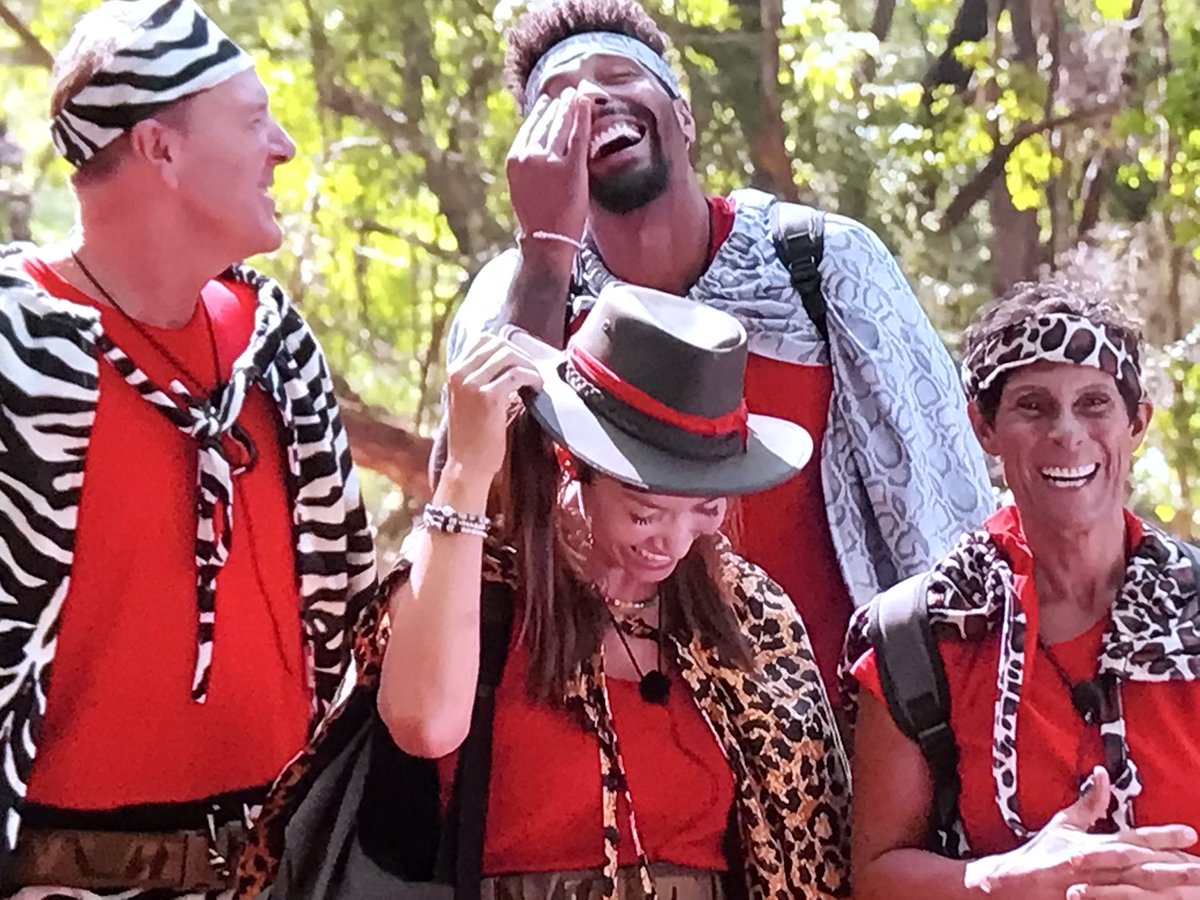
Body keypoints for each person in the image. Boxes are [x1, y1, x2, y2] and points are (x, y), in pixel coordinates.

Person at [444, 0, 994, 700]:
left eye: (618, 74)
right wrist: (546, 257)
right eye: (555, 98)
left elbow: (941, 509)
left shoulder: (819, 265)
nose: (587, 98)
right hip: (607, 748)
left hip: (825, 733)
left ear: (684, 115)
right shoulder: (519, 291)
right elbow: (474, 526)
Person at [238, 284, 851, 899]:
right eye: (645, 513)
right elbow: (423, 726)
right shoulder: (475, 584)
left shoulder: (751, 613)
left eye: (707, 511)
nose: (673, 540)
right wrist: (466, 472)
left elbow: (811, 844)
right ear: (570, 460)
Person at [0, 0, 375, 894]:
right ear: (159, 149)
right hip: (65, 871)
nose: (282, 146)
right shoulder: (18, 350)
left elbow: (357, 626)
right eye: (252, 120)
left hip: (285, 862)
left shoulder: (274, 347)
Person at [841, 278, 1200, 899]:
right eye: (1032, 406)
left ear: (1136, 423)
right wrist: (1004, 878)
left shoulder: (1191, 612)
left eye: (1094, 404)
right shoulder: (923, 635)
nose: (1066, 432)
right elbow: (877, 876)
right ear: (984, 428)